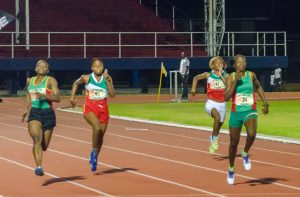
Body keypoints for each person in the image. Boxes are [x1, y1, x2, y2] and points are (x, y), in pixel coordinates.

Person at [224, 54, 269, 185]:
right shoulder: (230, 77)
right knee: (233, 144)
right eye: (239, 62)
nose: (242, 64)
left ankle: (245, 152)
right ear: (234, 65)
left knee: (252, 134)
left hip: (250, 110)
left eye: (244, 62)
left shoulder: (251, 75)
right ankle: (231, 168)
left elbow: (258, 86)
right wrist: (234, 81)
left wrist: (265, 103)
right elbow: (226, 97)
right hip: (236, 113)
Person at [70, 58, 115, 172]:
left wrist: (108, 80)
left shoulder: (107, 78)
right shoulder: (87, 77)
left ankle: (94, 158)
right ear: (92, 68)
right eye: (96, 66)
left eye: (100, 66)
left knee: (100, 137)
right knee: (97, 127)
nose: (98, 68)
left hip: (103, 110)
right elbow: (76, 83)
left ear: (103, 67)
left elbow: (112, 94)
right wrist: (72, 97)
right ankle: (94, 152)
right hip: (90, 108)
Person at [22, 59, 61, 176]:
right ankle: (39, 167)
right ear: (35, 68)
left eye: (45, 66)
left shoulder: (50, 80)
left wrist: (44, 95)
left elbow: (58, 98)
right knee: (36, 139)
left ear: (47, 70)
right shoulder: (30, 81)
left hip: (48, 113)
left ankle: (40, 155)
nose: (42, 67)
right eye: (39, 65)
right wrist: (26, 109)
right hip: (35, 113)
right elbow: (29, 95)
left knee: (44, 146)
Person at [191, 56, 228, 154]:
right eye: (217, 62)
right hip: (211, 103)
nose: (220, 63)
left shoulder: (227, 76)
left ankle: (213, 136)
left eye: (221, 62)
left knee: (219, 124)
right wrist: (193, 89)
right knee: (217, 117)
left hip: (222, 104)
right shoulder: (208, 75)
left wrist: (221, 76)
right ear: (212, 65)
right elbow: (196, 78)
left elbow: (228, 85)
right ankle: (215, 140)